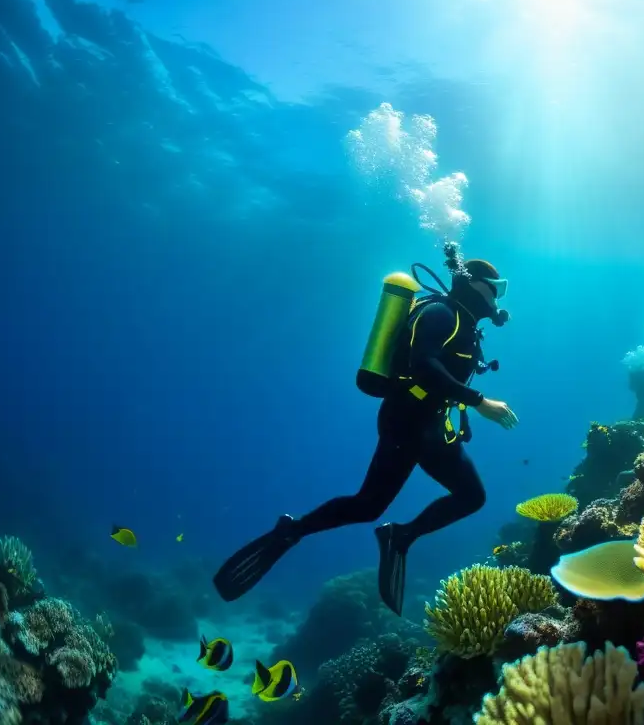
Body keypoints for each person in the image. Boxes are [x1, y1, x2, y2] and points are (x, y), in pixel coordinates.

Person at [212, 252, 518, 614]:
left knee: (471, 496)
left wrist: (463, 409)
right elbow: (423, 365)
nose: (497, 298)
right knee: (367, 504)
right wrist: (479, 401)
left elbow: (447, 377)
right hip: (405, 420)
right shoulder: (441, 314)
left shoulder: (464, 325)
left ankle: (400, 536)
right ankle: (290, 532)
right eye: (495, 288)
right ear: (474, 285)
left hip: (432, 424)